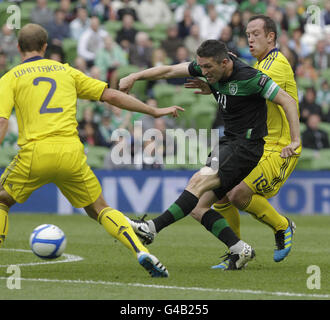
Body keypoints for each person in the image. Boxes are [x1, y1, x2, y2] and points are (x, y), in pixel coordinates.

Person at [0, 24, 184, 278]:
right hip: (72, 153)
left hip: (35, 153)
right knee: (100, 208)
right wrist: (154, 111)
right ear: (45, 47)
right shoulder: (67, 72)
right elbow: (110, 95)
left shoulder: (11, 77)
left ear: (19, 48)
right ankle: (141, 250)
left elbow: (1, 121)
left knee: (2, 199)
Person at [119, 39, 300, 270]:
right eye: (200, 67)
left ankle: (151, 228)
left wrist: (295, 139)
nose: (203, 72)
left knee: (198, 181)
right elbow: (169, 70)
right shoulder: (211, 66)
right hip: (229, 142)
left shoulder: (250, 77)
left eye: (208, 68)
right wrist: (135, 76)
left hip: (245, 147)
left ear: (225, 62)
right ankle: (239, 249)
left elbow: (287, 100)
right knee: (198, 207)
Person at [206, 15, 301, 268]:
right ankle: (238, 251)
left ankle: (283, 226)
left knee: (238, 194)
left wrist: (220, 80)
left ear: (271, 36)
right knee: (221, 192)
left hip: (280, 147)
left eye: (256, 34)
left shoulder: (276, 64)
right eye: (248, 34)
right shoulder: (257, 66)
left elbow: (247, 84)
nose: (250, 39)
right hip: (257, 144)